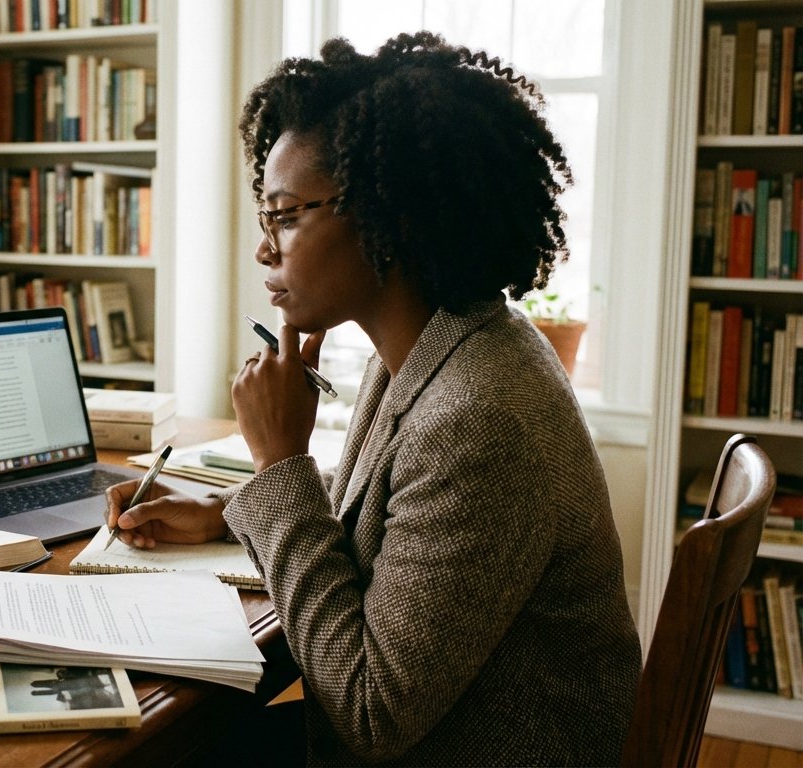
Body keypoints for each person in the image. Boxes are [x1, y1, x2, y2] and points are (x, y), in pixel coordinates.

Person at [104, 31, 641, 766]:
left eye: (286, 215)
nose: (264, 248)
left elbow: (370, 711)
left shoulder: (480, 416)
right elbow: (398, 506)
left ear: (392, 217)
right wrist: (225, 513)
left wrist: (278, 464)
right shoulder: (447, 344)